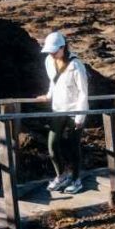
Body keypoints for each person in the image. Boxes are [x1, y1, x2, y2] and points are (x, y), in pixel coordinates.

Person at [41, 31, 89, 194]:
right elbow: (53, 81)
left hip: (74, 112)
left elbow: (83, 92)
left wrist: (80, 116)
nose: (52, 54)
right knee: (52, 145)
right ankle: (61, 175)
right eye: (50, 52)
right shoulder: (49, 60)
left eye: (55, 51)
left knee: (73, 147)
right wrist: (48, 96)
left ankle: (76, 179)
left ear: (63, 47)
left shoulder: (76, 66)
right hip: (57, 110)